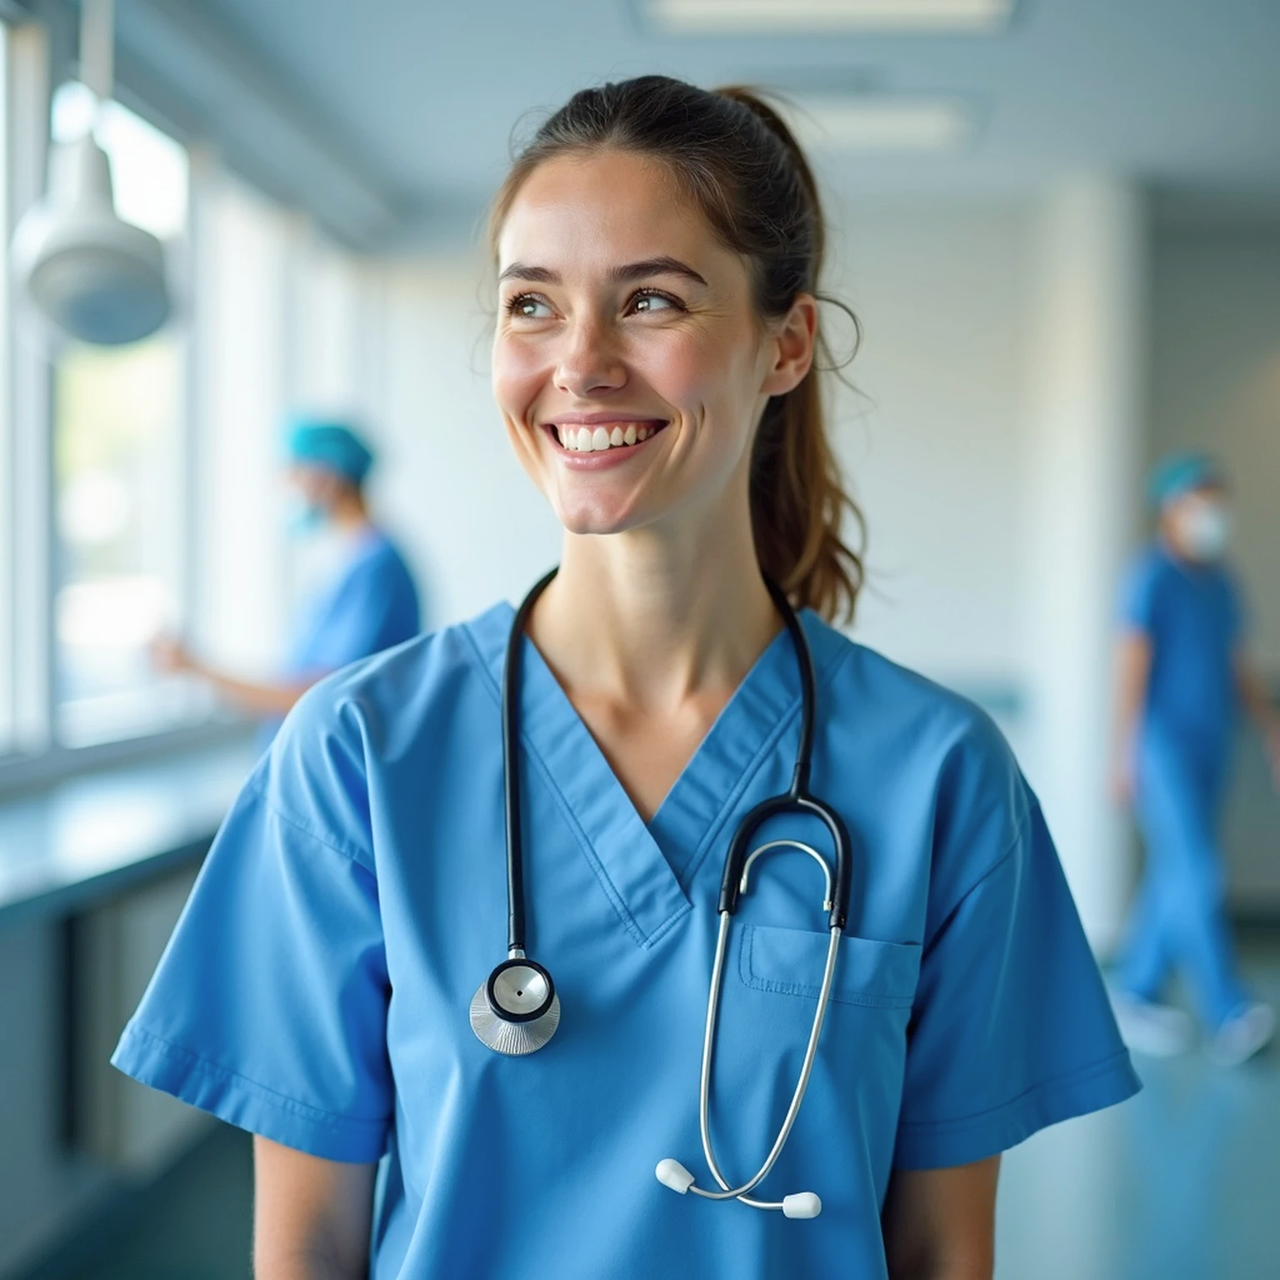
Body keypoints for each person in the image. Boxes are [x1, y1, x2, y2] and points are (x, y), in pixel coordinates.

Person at [113, 78, 1139, 1280]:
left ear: (786, 342)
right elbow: (307, 1248)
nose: (581, 362)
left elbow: (942, 1252)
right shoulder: (360, 756)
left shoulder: (938, 777)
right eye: (531, 305)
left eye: (650, 298)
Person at [1110, 452, 1279, 1066]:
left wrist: (1269, 728)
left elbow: (1239, 662)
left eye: (1217, 501)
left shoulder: (1220, 580)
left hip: (1213, 741)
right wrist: (1123, 753)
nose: (1212, 515)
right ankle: (1228, 1010)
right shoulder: (1149, 577)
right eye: (1200, 502)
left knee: (1176, 871)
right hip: (1161, 746)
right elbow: (1130, 667)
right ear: (1171, 507)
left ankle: (1133, 992)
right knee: (1198, 870)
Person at [153, 417, 421, 732]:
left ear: (327, 477)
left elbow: (313, 695)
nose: (286, 486)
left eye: (294, 473)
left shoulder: (376, 571)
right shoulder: (350, 560)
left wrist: (196, 668)